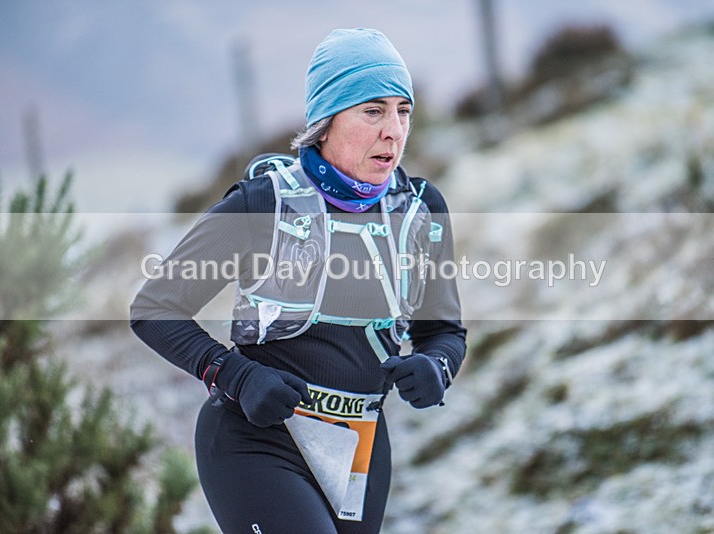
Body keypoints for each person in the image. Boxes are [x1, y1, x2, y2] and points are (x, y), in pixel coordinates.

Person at [130, 28, 465, 534]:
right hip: (257, 439)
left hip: (360, 450)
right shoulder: (263, 204)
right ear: (325, 122)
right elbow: (155, 307)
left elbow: (445, 332)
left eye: (403, 111)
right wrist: (236, 376)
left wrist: (436, 367)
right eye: (372, 111)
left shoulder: (419, 210)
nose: (393, 130)